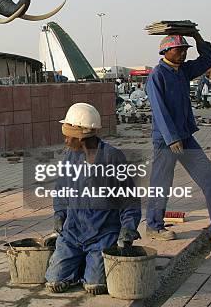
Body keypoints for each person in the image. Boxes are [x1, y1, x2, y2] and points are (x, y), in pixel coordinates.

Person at [145, 33, 211, 241]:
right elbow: (159, 110)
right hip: (166, 140)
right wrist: (171, 138)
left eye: (185, 49)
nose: (183, 53)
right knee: (162, 182)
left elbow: (207, 61)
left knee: (208, 174)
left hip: (185, 136)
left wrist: (197, 37)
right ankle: (154, 226)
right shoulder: (157, 75)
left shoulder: (183, 71)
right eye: (179, 49)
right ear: (166, 51)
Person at [46, 103, 141, 295]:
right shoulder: (69, 157)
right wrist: (59, 215)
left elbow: (129, 199)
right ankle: (80, 262)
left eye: (68, 135)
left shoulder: (112, 157)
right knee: (54, 280)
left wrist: (127, 230)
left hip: (103, 233)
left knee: (95, 285)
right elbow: (62, 190)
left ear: (81, 135)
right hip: (73, 232)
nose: (65, 140)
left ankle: (89, 265)